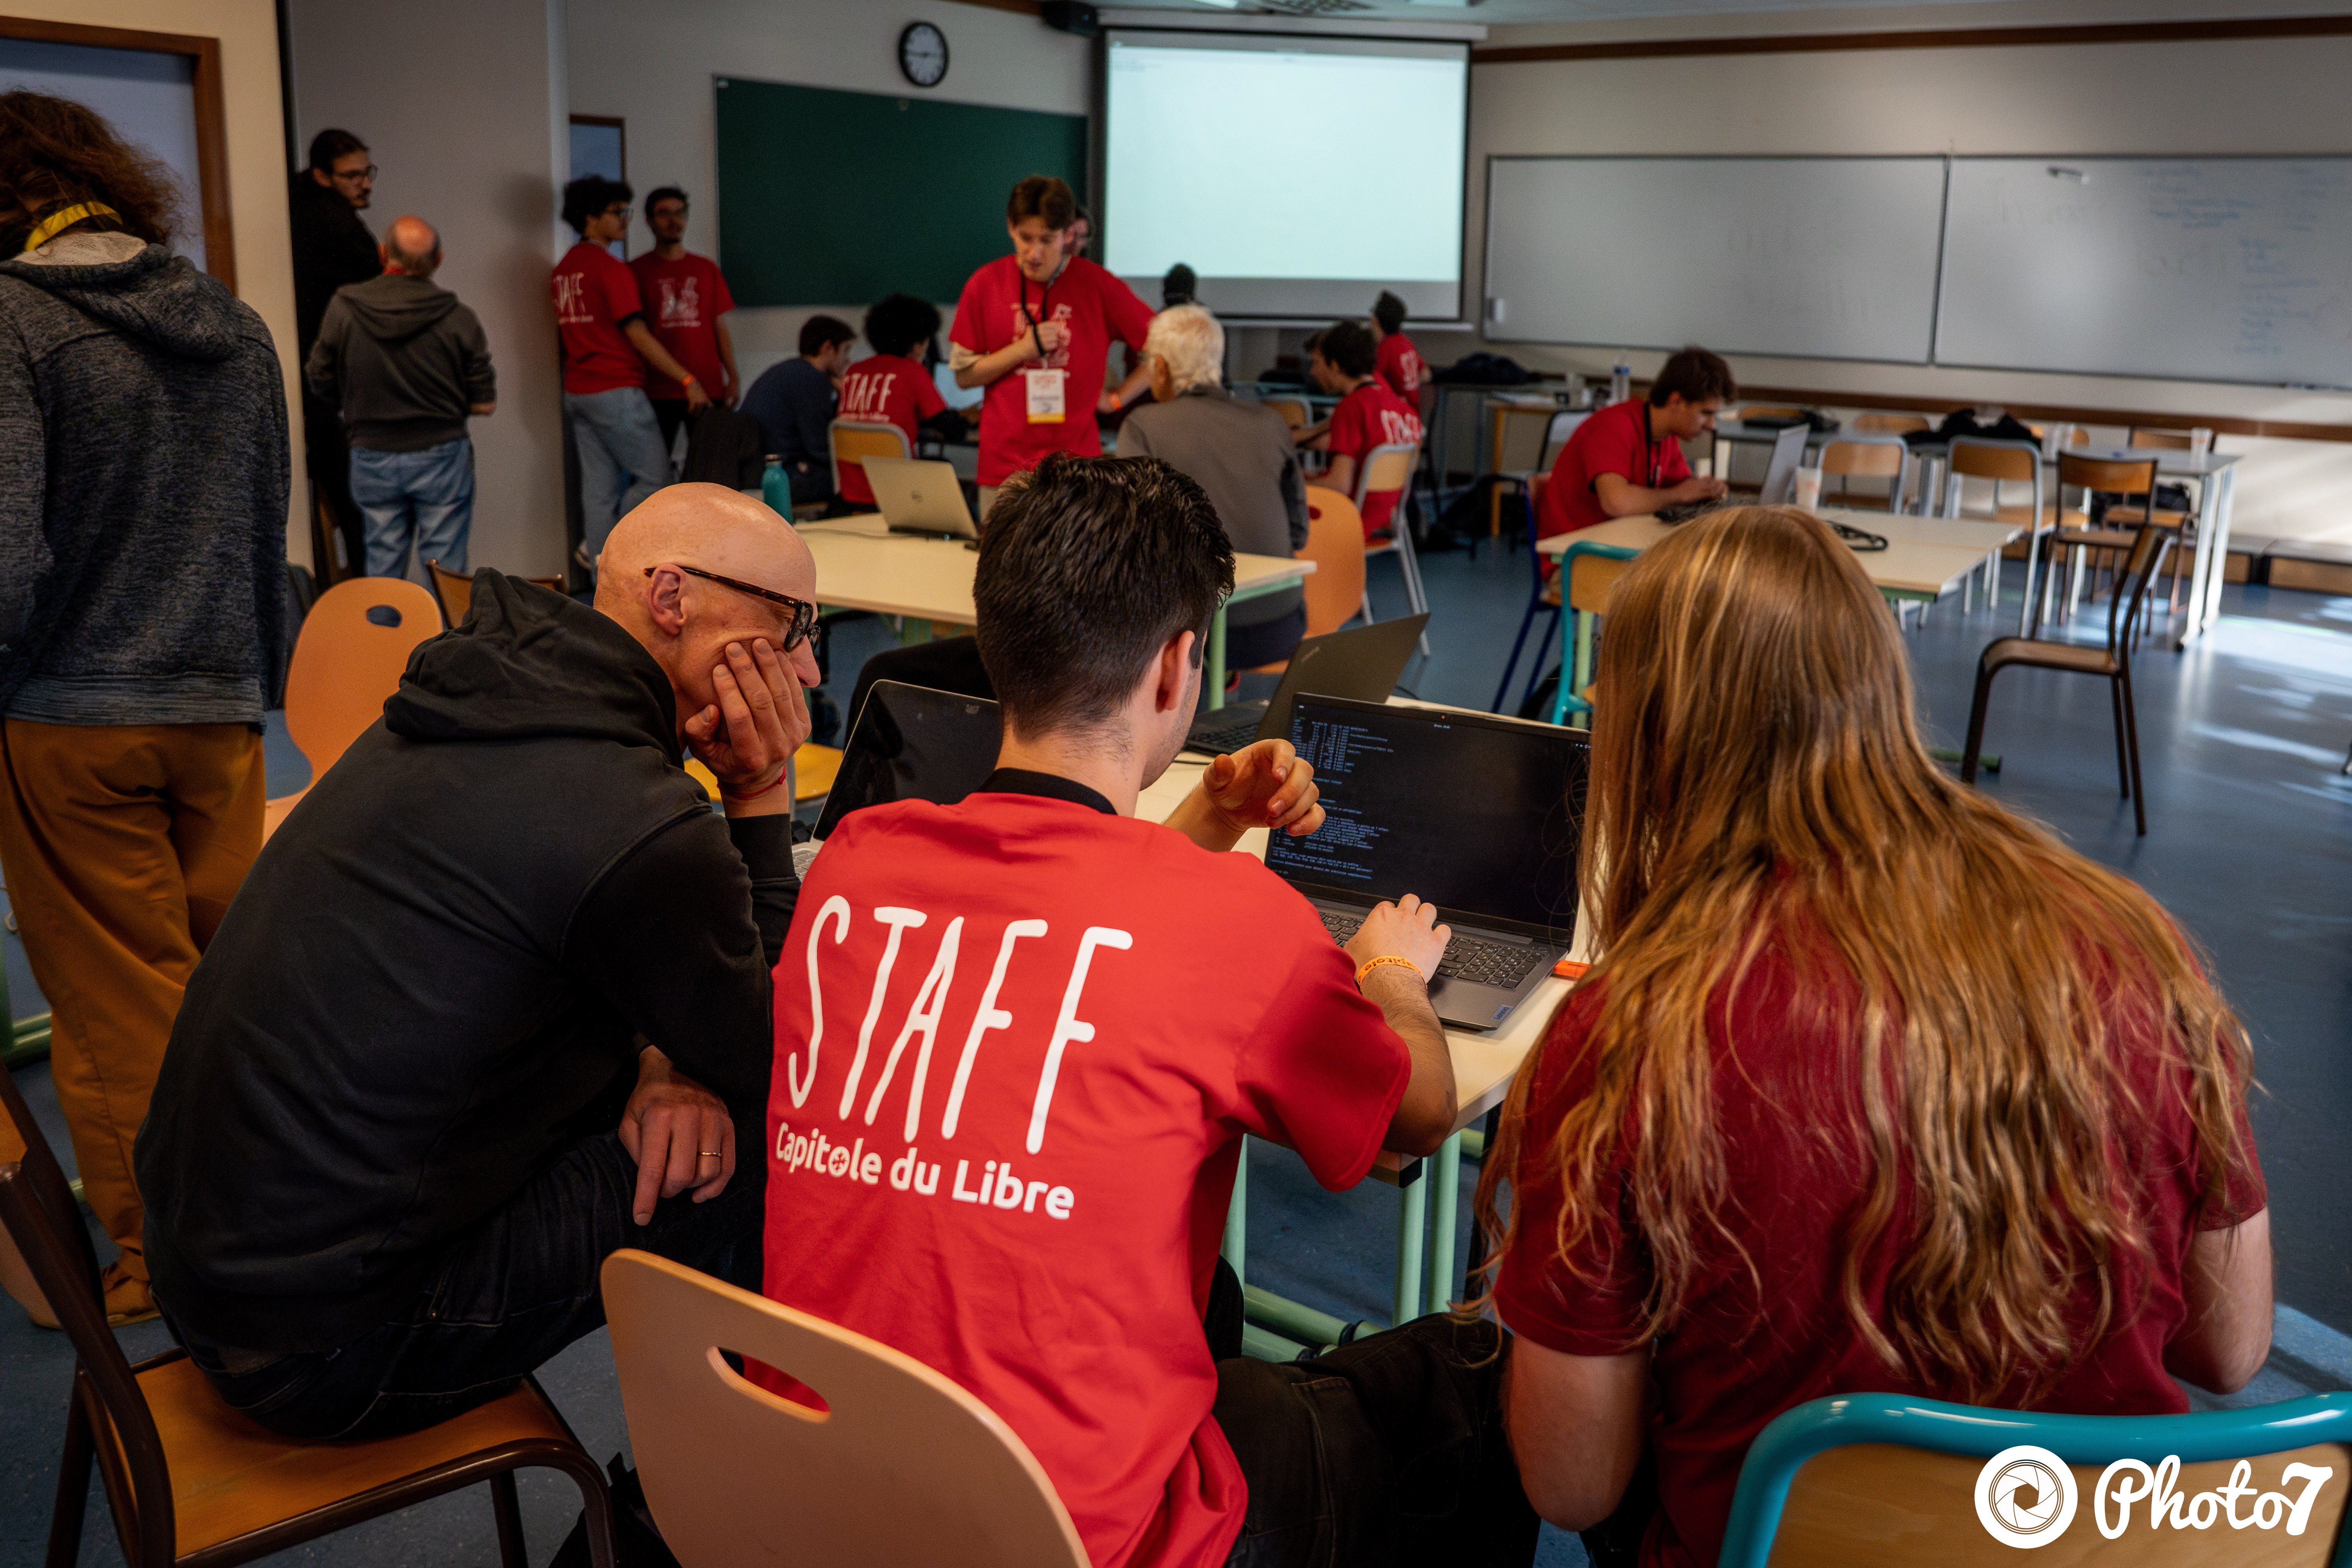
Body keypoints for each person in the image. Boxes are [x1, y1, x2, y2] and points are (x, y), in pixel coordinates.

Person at [761, 453, 1536, 1568]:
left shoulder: (853, 863)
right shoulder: (1238, 921)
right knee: (1468, 1384)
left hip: (814, 1488)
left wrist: (1208, 820)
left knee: (1205, 1291)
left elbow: (1067, 932)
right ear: (1179, 666)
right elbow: (1415, 1117)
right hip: (1076, 1538)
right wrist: (1394, 973)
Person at [1484, 506, 2271, 1568]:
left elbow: (1572, 1483)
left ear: (1651, 734)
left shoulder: (1636, 1025)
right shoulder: (2135, 944)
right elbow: (2232, 1346)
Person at [137, 485, 820, 1438]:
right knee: (777, 1141)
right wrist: (759, 791)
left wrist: (670, 1055)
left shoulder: (468, 702)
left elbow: (592, 941)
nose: (809, 668)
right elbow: (770, 1050)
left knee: (682, 1107)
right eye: (792, 625)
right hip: (329, 1346)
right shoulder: (630, 813)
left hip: (210, 1272)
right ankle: (727, 1485)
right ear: (671, 598)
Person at [0, 90, 288, 1328]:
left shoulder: (13, 317)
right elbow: (267, 528)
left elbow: (5, 556)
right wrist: (253, 684)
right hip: (222, 709)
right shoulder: (232, 320)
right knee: (232, 990)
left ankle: (160, 1265)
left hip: (71, 715)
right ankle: (272, 1215)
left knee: (120, 1013)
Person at [1116, 304, 1308, 672]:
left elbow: (1132, 540)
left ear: (1160, 367)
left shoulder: (1142, 426)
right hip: (1281, 624)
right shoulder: (1271, 422)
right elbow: (1298, 533)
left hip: (1191, 638)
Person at [949, 174, 1153, 519]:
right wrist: (1022, 350)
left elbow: (1165, 347)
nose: (1035, 253)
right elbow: (964, 376)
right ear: (1010, 227)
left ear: (1068, 234)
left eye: (1047, 239)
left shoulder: (1096, 284)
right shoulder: (985, 284)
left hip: (1077, 469)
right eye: (1025, 238)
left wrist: (1116, 399)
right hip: (1004, 469)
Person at [304, 214, 496, 579]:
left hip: (371, 452)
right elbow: (484, 404)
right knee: (445, 571)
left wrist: (351, 401)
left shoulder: (345, 307)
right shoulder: (459, 317)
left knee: (382, 565)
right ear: (438, 261)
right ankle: (440, 620)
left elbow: (319, 376)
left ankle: (385, 620)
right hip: (441, 454)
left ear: (382, 254)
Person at [553, 175, 708, 572]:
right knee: (657, 480)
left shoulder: (565, 269)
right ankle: (619, 553)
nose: (625, 220)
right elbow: (637, 334)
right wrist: (687, 379)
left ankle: (602, 573)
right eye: (617, 212)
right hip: (616, 388)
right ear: (591, 218)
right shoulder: (610, 269)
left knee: (599, 491)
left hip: (579, 390)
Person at [288, 127, 379, 580]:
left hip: (314, 376)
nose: (364, 184)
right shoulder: (338, 226)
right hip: (329, 384)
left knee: (347, 499)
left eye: (367, 172)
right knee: (357, 501)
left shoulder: (293, 201)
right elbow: (373, 285)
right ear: (323, 176)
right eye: (352, 176)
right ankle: (371, 598)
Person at [1534, 345, 1730, 544]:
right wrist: (1678, 495)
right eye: (1706, 413)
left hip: (1613, 540)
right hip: (1571, 551)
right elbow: (1616, 503)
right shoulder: (1614, 425)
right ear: (1676, 401)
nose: (1711, 425)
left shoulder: (1666, 436)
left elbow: (1683, 486)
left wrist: (1704, 490)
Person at [630, 186, 740, 453]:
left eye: (680, 213)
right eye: (664, 214)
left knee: (712, 463)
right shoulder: (635, 272)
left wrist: (733, 376)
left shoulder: (706, 269)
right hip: (658, 389)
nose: (674, 221)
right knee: (655, 465)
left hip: (709, 384)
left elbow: (719, 326)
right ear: (650, 220)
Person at [1301, 320, 1423, 540]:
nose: (1313, 371)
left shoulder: (1351, 407)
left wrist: (1299, 484)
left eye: (1318, 363)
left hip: (1349, 519)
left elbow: (1340, 485)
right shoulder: (1406, 410)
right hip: (1386, 515)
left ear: (1335, 366)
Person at [833, 292, 953, 510]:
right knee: (943, 466)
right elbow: (949, 427)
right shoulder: (913, 371)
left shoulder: (853, 372)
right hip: (898, 494)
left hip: (851, 494)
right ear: (918, 345)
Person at [741, 313, 854, 508]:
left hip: (755, 471)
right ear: (827, 347)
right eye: (845, 350)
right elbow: (821, 448)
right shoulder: (811, 378)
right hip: (780, 475)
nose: (848, 360)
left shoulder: (788, 371)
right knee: (854, 480)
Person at [1369, 290, 1424, 405]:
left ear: (1376, 321)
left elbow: (1372, 380)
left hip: (1397, 410)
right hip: (1412, 410)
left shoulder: (1386, 347)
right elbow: (1424, 372)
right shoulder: (1405, 342)